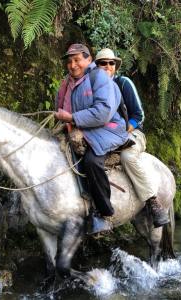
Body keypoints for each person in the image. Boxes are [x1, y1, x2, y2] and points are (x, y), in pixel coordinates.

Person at [54, 44, 128, 231]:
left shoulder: (99, 77)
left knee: (92, 161)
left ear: (89, 60)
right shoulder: (67, 83)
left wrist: (72, 118)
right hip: (79, 128)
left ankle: (104, 213)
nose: (73, 65)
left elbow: (103, 112)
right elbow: (59, 107)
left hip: (107, 129)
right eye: (69, 61)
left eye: (77, 59)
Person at [95, 48, 169, 228]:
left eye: (111, 63)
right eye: (102, 63)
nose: (107, 66)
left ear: (115, 66)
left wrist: (123, 132)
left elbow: (139, 115)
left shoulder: (123, 83)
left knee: (127, 157)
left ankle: (152, 202)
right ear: (96, 67)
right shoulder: (92, 88)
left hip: (132, 133)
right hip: (105, 137)